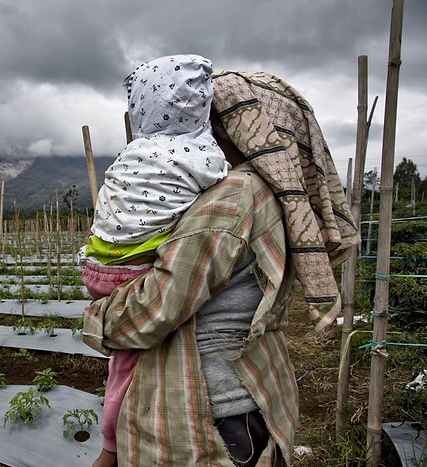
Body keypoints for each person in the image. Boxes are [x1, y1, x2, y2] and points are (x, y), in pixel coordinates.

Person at [82, 67, 359, 467]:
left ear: (237, 129)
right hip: (253, 392)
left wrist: (96, 319)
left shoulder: (232, 197)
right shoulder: (273, 194)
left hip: (208, 414)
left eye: (211, 124)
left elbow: (154, 309)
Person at [79, 54, 230, 467]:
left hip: (96, 267)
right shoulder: (203, 157)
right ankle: (111, 446)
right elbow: (220, 187)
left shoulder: (130, 153)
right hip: (132, 272)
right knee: (127, 366)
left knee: (121, 361)